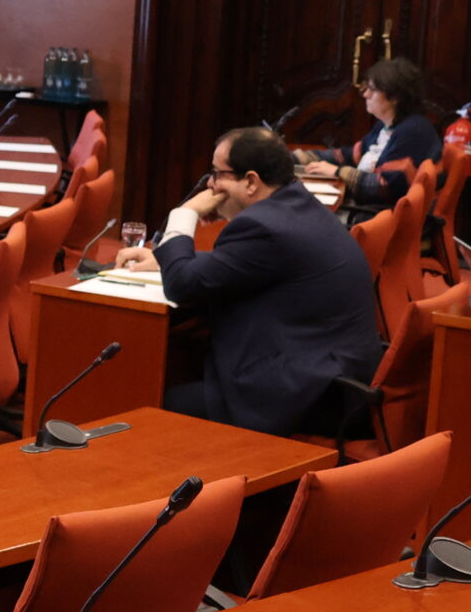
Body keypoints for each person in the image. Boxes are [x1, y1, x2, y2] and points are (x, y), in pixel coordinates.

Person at [114, 126, 380, 436]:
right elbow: (252, 264)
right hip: (335, 373)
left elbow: (181, 286)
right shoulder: (296, 205)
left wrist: (184, 213)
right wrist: (166, 260)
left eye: (218, 174)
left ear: (251, 181)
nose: (210, 186)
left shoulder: (262, 226)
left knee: (158, 402)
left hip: (310, 395)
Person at [293, 57, 443, 215]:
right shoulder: (387, 125)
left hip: (381, 217)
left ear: (394, 97)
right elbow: (350, 155)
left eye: (373, 89)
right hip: (373, 212)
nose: (365, 94)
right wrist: (298, 158)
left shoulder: (413, 131)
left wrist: (337, 172)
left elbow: (384, 187)